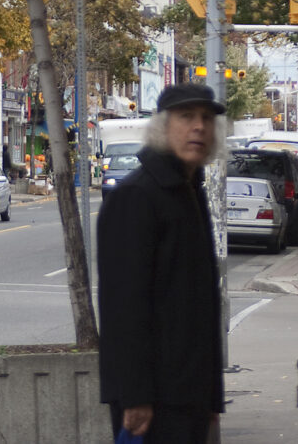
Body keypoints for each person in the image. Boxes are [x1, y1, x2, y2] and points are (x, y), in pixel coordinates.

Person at [97, 83, 226, 443]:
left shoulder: (189, 190)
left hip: (190, 395)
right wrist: (135, 396)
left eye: (205, 118)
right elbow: (123, 309)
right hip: (153, 402)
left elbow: (202, 305)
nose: (199, 126)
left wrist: (212, 395)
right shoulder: (136, 196)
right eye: (186, 117)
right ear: (162, 127)